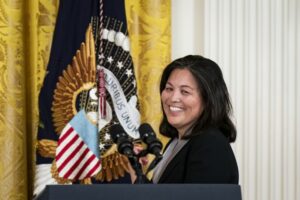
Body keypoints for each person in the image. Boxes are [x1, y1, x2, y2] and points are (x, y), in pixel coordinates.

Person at [130, 55, 239, 184]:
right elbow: (160, 195)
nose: (173, 98)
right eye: (169, 89)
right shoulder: (177, 142)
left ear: (208, 99)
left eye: (185, 92)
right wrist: (135, 167)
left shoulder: (210, 145)